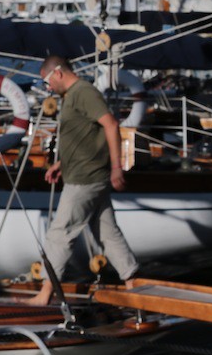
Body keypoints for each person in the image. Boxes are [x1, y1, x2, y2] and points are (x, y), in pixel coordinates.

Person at [29, 54, 139, 304]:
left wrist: (116, 168)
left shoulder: (83, 92)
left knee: (60, 232)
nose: (47, 88)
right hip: (82, 173)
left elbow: (110, 124)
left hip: (85, 178)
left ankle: (45, 294)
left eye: (46, 81)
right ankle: (133, 283)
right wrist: (60, 164)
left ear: (58, 72)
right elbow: (82, 138)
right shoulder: (72, 96)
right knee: (107, 233)